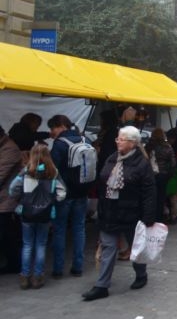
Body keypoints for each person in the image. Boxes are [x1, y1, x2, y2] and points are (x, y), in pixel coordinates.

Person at [82, 125, 156, 301]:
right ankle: (102, 286)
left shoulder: (141, 163)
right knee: (109, 247)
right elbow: (102, 180)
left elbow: (149, 191)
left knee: (135, 248)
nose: (118, 142)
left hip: (132, 214)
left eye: (121, 139)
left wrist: (148, 217)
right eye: (118, 139)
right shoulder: (112, 158)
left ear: (132, 143)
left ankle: (141, 274)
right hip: (109, 211)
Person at [9, 144, 66, 289]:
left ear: (31, 155)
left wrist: (20, 198)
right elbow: (62, 193)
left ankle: (25, 277)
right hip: (45, 213)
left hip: (27, 213)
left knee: (27, 244)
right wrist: (52, 201)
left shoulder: (26, 172)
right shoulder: (53, 173)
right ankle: (37, 277)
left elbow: (12, 190)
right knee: (41, 244)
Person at [47, 114, 90, 279]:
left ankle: (58, 269)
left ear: (61, 126)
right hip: (82, 191)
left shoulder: (59, 144)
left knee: (60, 229)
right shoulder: (86, 141)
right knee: (79, 229)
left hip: (64, 193)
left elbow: (52, 169)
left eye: (53, 128)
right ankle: (77, 267)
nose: (52, 132)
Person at [0, 124, 24, 275]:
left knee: (6, 233)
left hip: (5, 199)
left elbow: (1, 175)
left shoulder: (10, 149)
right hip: (3, 197)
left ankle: (14, 264)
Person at [145, 128, 176, 223]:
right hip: (163, 175)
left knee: (150, 196)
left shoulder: (149, 146)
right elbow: (173, 163)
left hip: (150, 174)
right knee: (161, 197)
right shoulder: (168, 147)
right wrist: (169, 173)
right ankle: (159, 218)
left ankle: (150, 216)